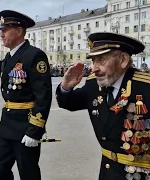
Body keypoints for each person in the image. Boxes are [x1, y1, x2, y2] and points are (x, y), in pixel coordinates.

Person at [55, 32, 150, 180]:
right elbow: (69, 102)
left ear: (123, 60)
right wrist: (66, 87)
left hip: (140, 174)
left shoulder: (145, 87)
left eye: (101, 60)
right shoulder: (94, 84)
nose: (94, 68)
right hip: (107, 172)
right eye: (93, 61)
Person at [0, 10, 52, 180]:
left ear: (19, 31)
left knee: (28, 172)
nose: (1, 34)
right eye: (1, 30)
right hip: (7, 124)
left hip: (25, 125)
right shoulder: (10, 56)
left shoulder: (34, 55)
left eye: (5, 29)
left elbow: (43, 96)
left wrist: (35, 130)